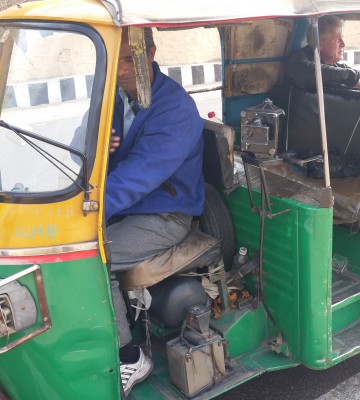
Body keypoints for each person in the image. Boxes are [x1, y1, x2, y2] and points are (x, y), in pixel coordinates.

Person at [107, 27, 204, 396]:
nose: (120, 69)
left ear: (150, 54)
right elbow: (81, 143)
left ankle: (128, 356)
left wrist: (88, 211)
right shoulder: (117, 97)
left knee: (94, 258)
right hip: (129, 206)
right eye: (114, 60)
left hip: (166, 214)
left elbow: (138, 175)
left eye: (129, 59)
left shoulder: (175, 109)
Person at [285, 15, 360, 90]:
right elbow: (308, 73)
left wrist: (351, 75)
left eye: (342, 38)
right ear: (319, 44)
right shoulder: (297, 61)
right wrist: (350, 75)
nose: (343, 44)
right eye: (337, 39)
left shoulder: (334, 65)